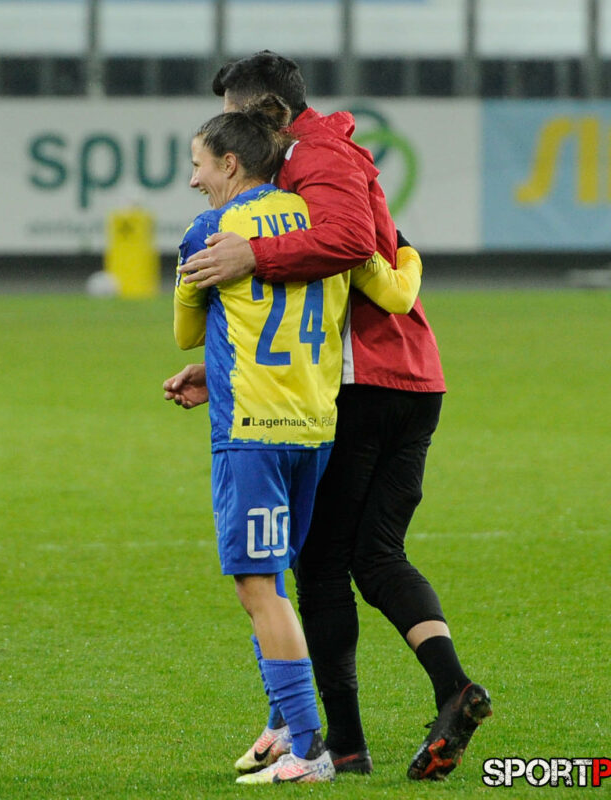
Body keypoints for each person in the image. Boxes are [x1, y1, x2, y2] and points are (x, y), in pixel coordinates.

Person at [165, 51, 492, 782]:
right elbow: (363, 269)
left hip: (365, 377)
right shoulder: (318, 161)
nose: (229, 132)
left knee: (316, 569)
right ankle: (453, 690)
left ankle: (332, 747)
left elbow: (349, 243)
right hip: (402, 373)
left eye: (237, 117)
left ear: (270, 114)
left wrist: (253, 254)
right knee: (375, 558)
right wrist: (225, 367)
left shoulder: (315, 157)